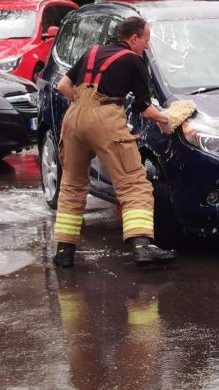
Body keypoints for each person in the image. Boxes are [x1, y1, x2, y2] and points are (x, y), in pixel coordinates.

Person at [52, 16, 176, 269]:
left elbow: (63, 85)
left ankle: (64, 250)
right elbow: (144, 107)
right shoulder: (133, 60)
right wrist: (167, 119)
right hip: (106, 117)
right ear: (134, 39)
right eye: (146, 41)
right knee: (133, 183)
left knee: (72, 184)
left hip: (73, 117)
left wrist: (84, 104)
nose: (147, 47)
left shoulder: (93, 50)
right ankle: (142, 247)